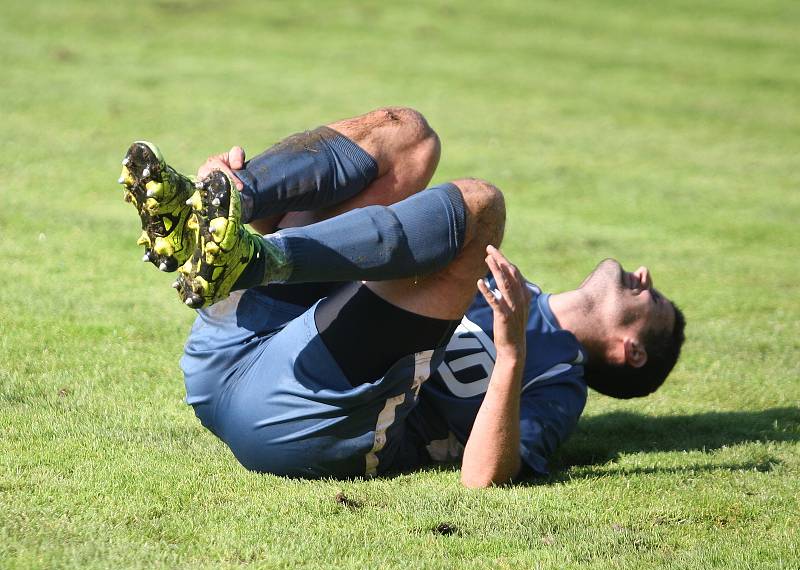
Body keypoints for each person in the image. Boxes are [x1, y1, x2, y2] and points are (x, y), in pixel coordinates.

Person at [118, 108, 685, 487]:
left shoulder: (559, 383)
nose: (643, 272)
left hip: (304, 419)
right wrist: (262, 211)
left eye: (655, 300)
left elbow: (485, 477)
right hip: (238, 348)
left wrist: (511, 351)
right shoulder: (510, 282)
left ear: (629, 350)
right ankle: (217, 209)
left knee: (480, 206)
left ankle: (253, 254)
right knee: (409, 137)